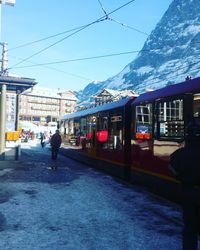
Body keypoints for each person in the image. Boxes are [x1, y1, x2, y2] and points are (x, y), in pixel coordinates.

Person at [170, 121, 200, 250]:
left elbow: (173, 169)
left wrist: (182, 178)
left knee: (190, 228)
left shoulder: (180, 154)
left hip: (188, 192)